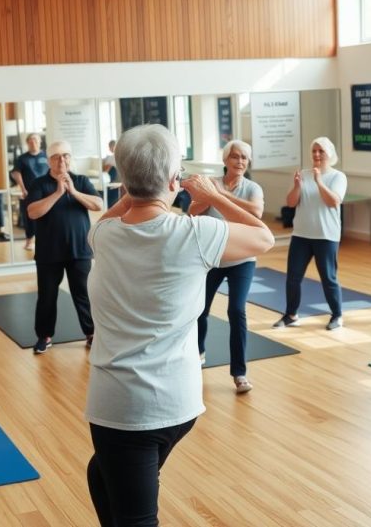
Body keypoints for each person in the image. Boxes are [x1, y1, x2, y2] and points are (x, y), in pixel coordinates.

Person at [85, 124, 274, 526]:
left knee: (131, 508)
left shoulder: (102, 235)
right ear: (175, 180)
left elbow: (111, 215)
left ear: (123, 181)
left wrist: (134, 186)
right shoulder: (194, 234)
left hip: (126, 410)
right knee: (100, 476)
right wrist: (213, 195)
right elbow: (264, 237)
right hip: (176, 406)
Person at [189, 140, 264, 393]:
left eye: (244, 158)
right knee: (200, 309)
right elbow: (193, 211)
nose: (240, 161)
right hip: (213, 259)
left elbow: (256, 212)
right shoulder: (211, 184)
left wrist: (218, 197)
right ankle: (198, 353)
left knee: (236, 311)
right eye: (235, 157)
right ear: (226, 160)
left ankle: (240, 373)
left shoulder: (252, 188)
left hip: (242, 260)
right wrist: (209, 195)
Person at [26, 140, 103, 354]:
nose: (62, 160)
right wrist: (59, 193)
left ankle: (91, 334)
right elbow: (33, 212)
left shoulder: (80, 180)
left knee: (84, 294)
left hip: (79, 251)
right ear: (49, 160)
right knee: (47, 296)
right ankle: (44, 337)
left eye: (66, 155)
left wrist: (73, 191)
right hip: (49, 253)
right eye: (57, 156)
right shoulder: (39, 184)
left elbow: (98, 204)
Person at [273, 137, 348, 331]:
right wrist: (298, 185)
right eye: (314, 151)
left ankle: (337, 315)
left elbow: (334, 202)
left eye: (320, 151)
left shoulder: (338, 177)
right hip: (301, 235)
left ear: (329, 154)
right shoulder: (303, 174)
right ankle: (291, 314)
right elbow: (290, 203)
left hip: (326, 235)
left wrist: (319, 181)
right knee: (293, 277)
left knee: (328, 278)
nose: (316, 155)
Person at [11, 133, 48, 250]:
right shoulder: (22, 159)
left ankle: (46, 240)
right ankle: (29, 241)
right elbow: (15, 173)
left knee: (47, 216)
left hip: (46, 192)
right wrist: (23, 189)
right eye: (31, 141)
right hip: (29, 192)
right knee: (30, 218)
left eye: (36, 140)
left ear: (40, 142)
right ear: (27, 143)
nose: (33, 143)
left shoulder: (46, 156)